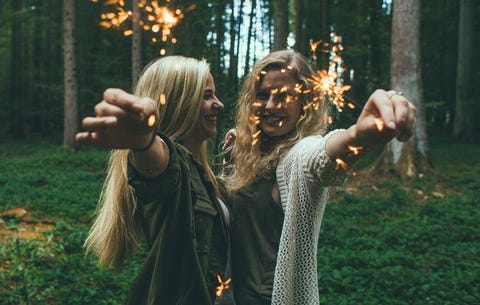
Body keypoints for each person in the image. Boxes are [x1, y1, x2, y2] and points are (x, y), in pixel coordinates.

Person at [220, 50, 416, 305]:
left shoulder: (298, 156)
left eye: (284, 96)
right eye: (262, 95)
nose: (270, 106)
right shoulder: (241, 149)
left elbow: (322, 157)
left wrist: (358, 135)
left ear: (305, 103)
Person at [76, 56, 235, 305]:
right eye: (206, 96)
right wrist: (143, 141)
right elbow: (157, 165)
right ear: (179, 102)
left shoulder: (203, 175)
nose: (219, 104)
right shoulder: (170, 163)